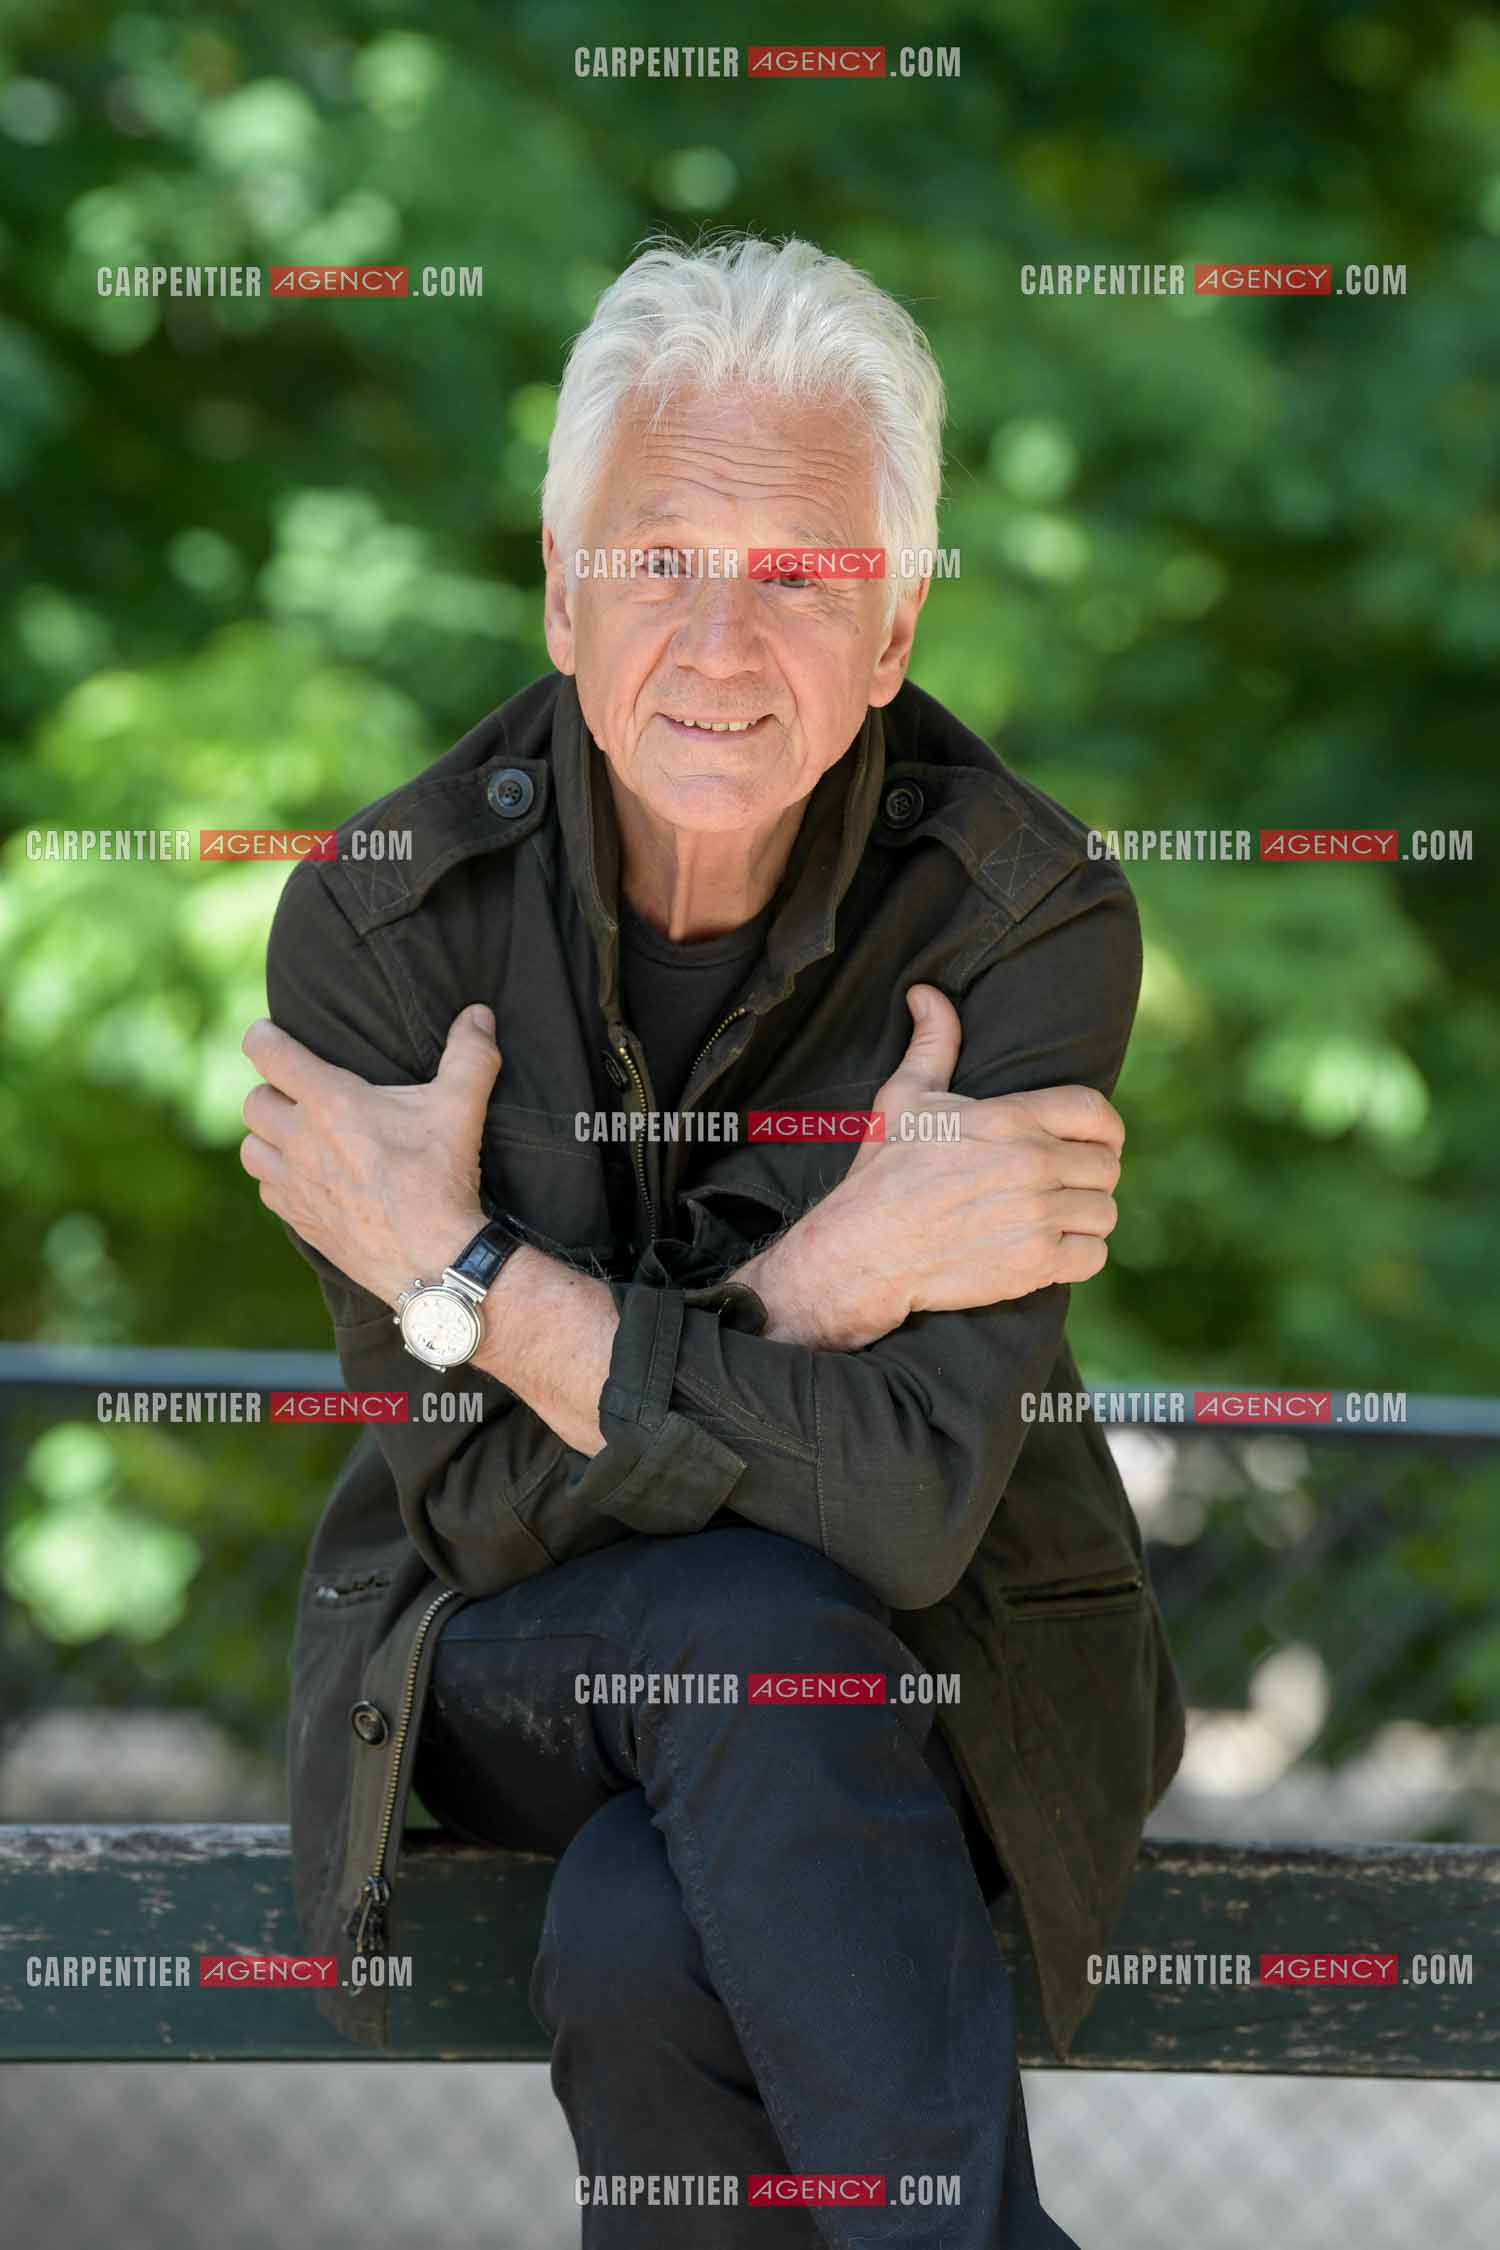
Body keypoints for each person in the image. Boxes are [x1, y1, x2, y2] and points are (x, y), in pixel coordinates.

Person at [242, 233, 1184, 2248]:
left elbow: (919, 1508)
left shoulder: (1022, 922)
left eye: (802, 571)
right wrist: (816, 1291)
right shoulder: (380, 930)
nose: (722, 636)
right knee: (741, 1634)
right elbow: (487, 1508)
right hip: (506, 1673)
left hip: (932, 1681)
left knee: (642, 1931)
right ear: (564, 599)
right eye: (659, 556)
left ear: (899, 619)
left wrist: (482, 1290)